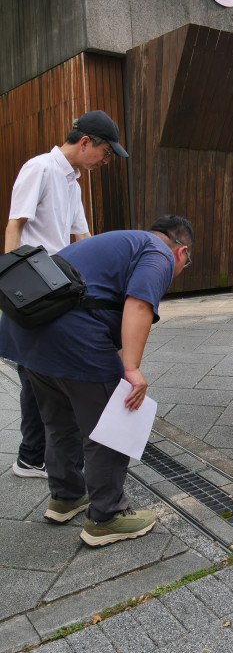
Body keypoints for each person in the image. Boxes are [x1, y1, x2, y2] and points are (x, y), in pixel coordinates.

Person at [0, 215, 194, 546]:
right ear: (182, 251)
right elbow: (139, 303)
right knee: (111, 423)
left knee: (59, 422)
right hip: (70, 335)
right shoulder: (159, 252)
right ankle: (107, 517)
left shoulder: (118, 240)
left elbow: (99, 300)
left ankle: (66, 496)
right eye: (184, 266)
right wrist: (131, 368)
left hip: (27, 333)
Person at [5, 110, 128, 479]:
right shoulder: (40, 169)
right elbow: (15, 225)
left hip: (58, 289)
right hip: (31, 286)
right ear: (86, 141)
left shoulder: (72, 182)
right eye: (105, 153)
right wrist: (10, 286)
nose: (105, 161)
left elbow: (83, 239)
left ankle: (36, 454)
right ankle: (31, 456)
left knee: (42, 370)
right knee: (34, 373)